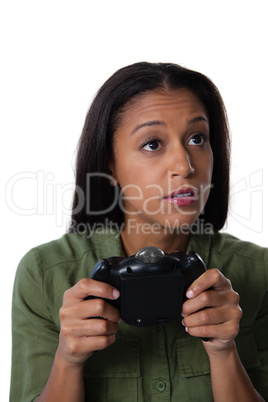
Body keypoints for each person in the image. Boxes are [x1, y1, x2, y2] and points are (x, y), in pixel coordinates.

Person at [10, 62, 267, 401]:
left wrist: (223, 352)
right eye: (152, 144)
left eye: (197, 138)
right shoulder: (45, 274)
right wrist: (67, 361)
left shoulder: (259, 272)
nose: (185, 166)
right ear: (109, 164)